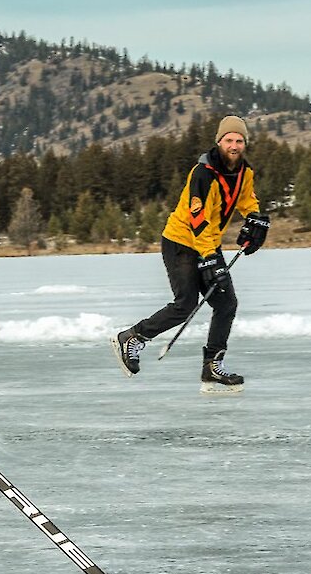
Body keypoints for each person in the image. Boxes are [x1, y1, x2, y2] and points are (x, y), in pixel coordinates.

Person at [111, 114, 270, 393]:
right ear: (219, 142)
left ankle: (212, 367)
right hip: (181, 242)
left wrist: (256, 217)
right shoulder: (203, 173)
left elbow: (246, 199)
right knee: (185, 303)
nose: (234, 145)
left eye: (239, 140)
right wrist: (210, 259)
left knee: (226, 303)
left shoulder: (244, 172)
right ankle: (132, 337)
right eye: (229, 140)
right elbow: (198, 219)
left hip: (208, 242)